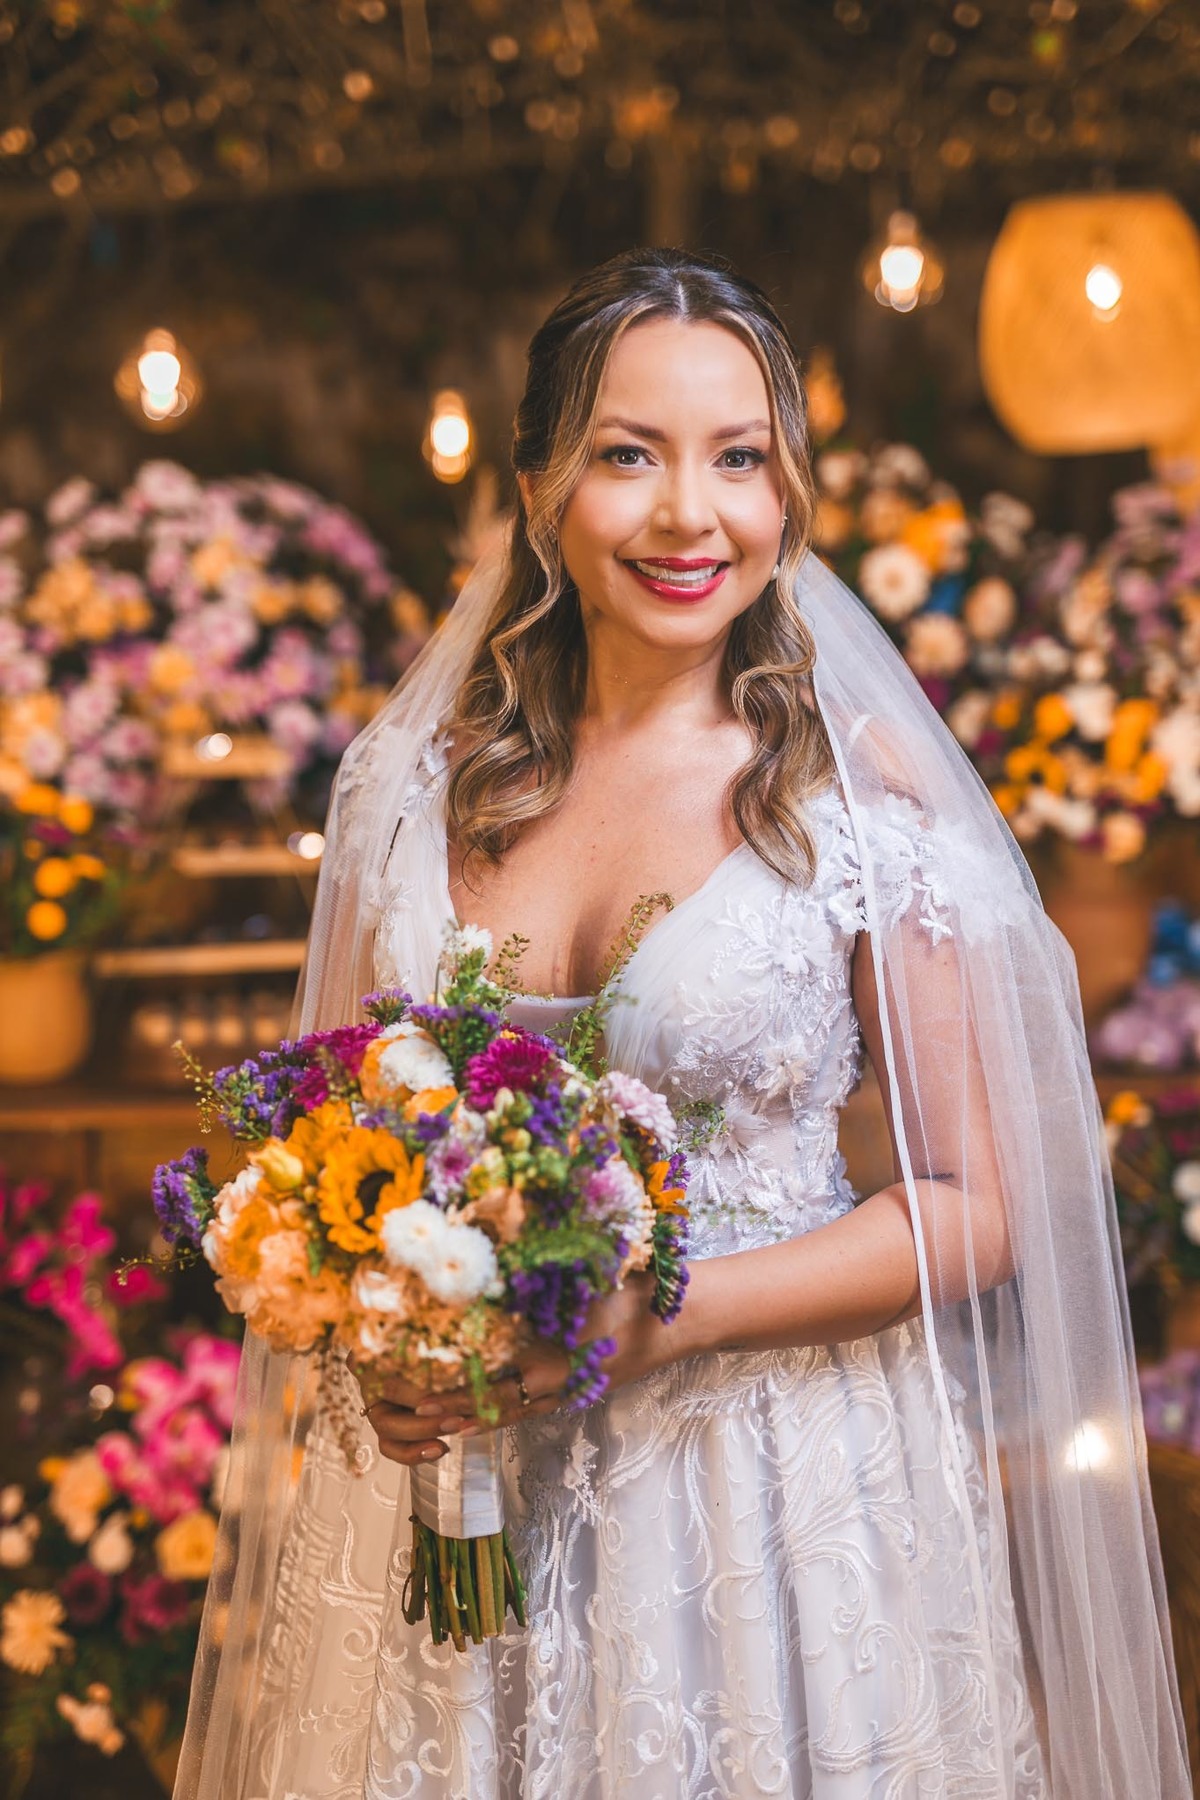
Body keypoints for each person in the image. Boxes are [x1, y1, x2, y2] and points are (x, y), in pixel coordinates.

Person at [175, 249, 1191, 1799]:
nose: (686, 516)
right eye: (625, 456)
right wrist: (372, 1341)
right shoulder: (406, 790)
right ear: (536, 490)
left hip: (768, 1503)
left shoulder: (854, 797)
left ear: (788, 497)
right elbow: (315, 1149)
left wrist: (674, 1312)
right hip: (455, 1501)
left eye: (738, 459)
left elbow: (981, 1211)